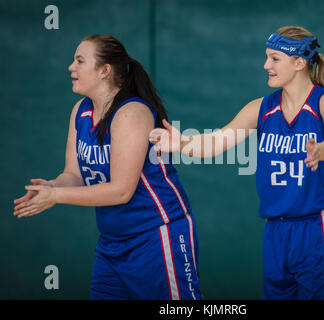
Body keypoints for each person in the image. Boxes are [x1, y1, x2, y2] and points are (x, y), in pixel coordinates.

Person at [149, 26, 324, 300]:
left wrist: (320, 150)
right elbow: (217, 141)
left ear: (299, 62)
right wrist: (181, 144)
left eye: (274, 58)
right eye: (266, 57)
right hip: (276, 232)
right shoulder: (261, 108)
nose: (266, 65)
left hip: (321, 228)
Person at [13, 34, 202, 300]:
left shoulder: (131, 113)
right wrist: (51, 186)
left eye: (79, 61)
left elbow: (122, 191)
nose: (71, 67)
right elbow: (74, 175)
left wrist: (56, 197)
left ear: (104, 70)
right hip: (112, 242)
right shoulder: (81, 111)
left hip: (156, 235)